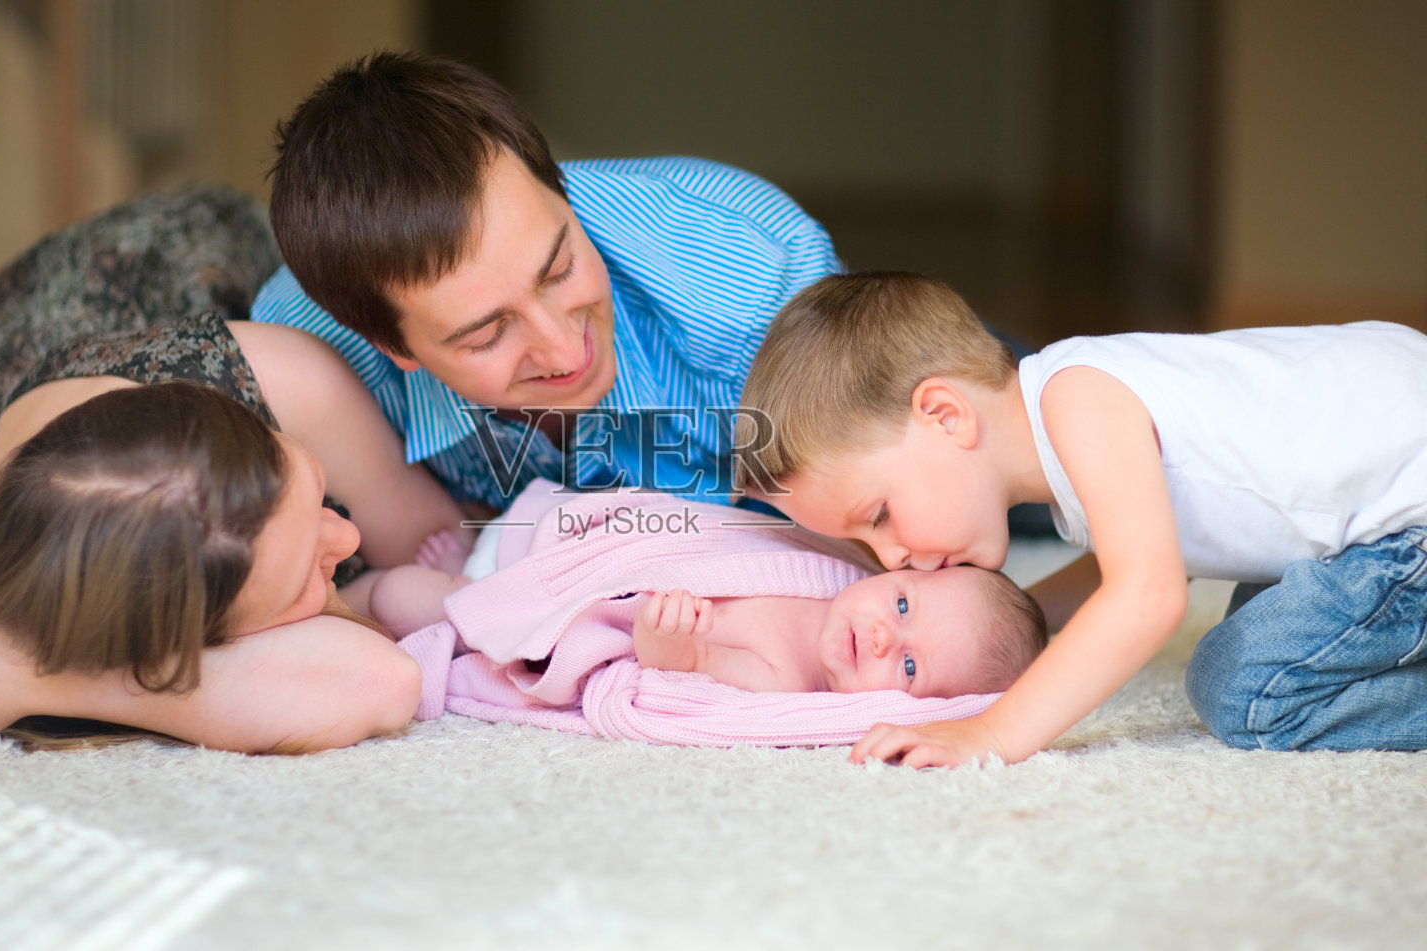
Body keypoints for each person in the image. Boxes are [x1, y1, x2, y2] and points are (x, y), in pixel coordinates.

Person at [0, 186, 471, 753]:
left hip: (161, 253)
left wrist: (25, 674)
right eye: (301, 575)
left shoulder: (291, 382)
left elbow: (451, 551)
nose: (351, 537)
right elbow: (380, 681)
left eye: (316, 490)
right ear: (182, 646)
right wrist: (40, 679)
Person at [735, 270, 1427, 766]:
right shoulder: (1067, 402)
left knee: (1243, 681)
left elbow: (1146, 593)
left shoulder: (1081, 405)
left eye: (880, 514)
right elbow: (1133, 550)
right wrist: (1005, 621)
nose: (890, 557)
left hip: (1408, 514)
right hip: (1380, 478)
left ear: (945, 414)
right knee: (1269, 606)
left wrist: (994, 731)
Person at [252, 51, 843, 507]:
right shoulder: (306, 359)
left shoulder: (760, 277)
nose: (564, 351)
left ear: (560, 189)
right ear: (394, 344)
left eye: (559, 270)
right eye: (485, 335)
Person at [368, 488, 1046, 700]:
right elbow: (729, 530)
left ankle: (468, 590)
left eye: (907, 665)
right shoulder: (843, 566)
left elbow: (692, 667)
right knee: (492, 548)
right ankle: (480, 565)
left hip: (579, 617)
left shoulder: (786, 681)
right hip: (584, 557)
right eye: (902, 607)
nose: (880, 634)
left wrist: (669, 642)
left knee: (399, 597)